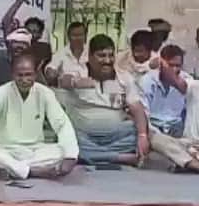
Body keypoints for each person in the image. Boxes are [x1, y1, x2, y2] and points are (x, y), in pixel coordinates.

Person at [0, 54, 79, 181]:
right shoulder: (1, 93)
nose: (24, 79)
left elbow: (62, 124)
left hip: (34, 151)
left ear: (35, 75)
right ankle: (32, 172)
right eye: (20, 75)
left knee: (62, 151)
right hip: (5, 149)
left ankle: (13, 169)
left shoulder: (45, 93)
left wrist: (70, 156)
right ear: (12, 75)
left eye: (28, 75)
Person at [62, 34, 149, 166]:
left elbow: (136, 107)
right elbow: (63, 81)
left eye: (111, 55)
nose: (107, 60)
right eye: (101, 55)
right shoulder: (79, 72)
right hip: (85, 136)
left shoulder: (124, 77)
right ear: (90, 57)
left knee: (141, 132)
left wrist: (143, 135)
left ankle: (96, 156)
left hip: (116, 136)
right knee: (67, 141)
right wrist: (75, 82)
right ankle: (119, 157)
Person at [139, 45, 192, 138]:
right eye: (171, 65)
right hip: (153, 126)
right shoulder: (148, 80)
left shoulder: (186, 80)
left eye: (178, 66)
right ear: (161, 64)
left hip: (176, 127)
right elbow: (143, 113)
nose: (174, 70)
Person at [0, 0, 53, 71]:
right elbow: (6, 21)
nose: (31, 34)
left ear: (40, 35)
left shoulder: (43, 48)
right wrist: (20, 1)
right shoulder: (15, 43)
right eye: (28, 30)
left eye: (34, 31)